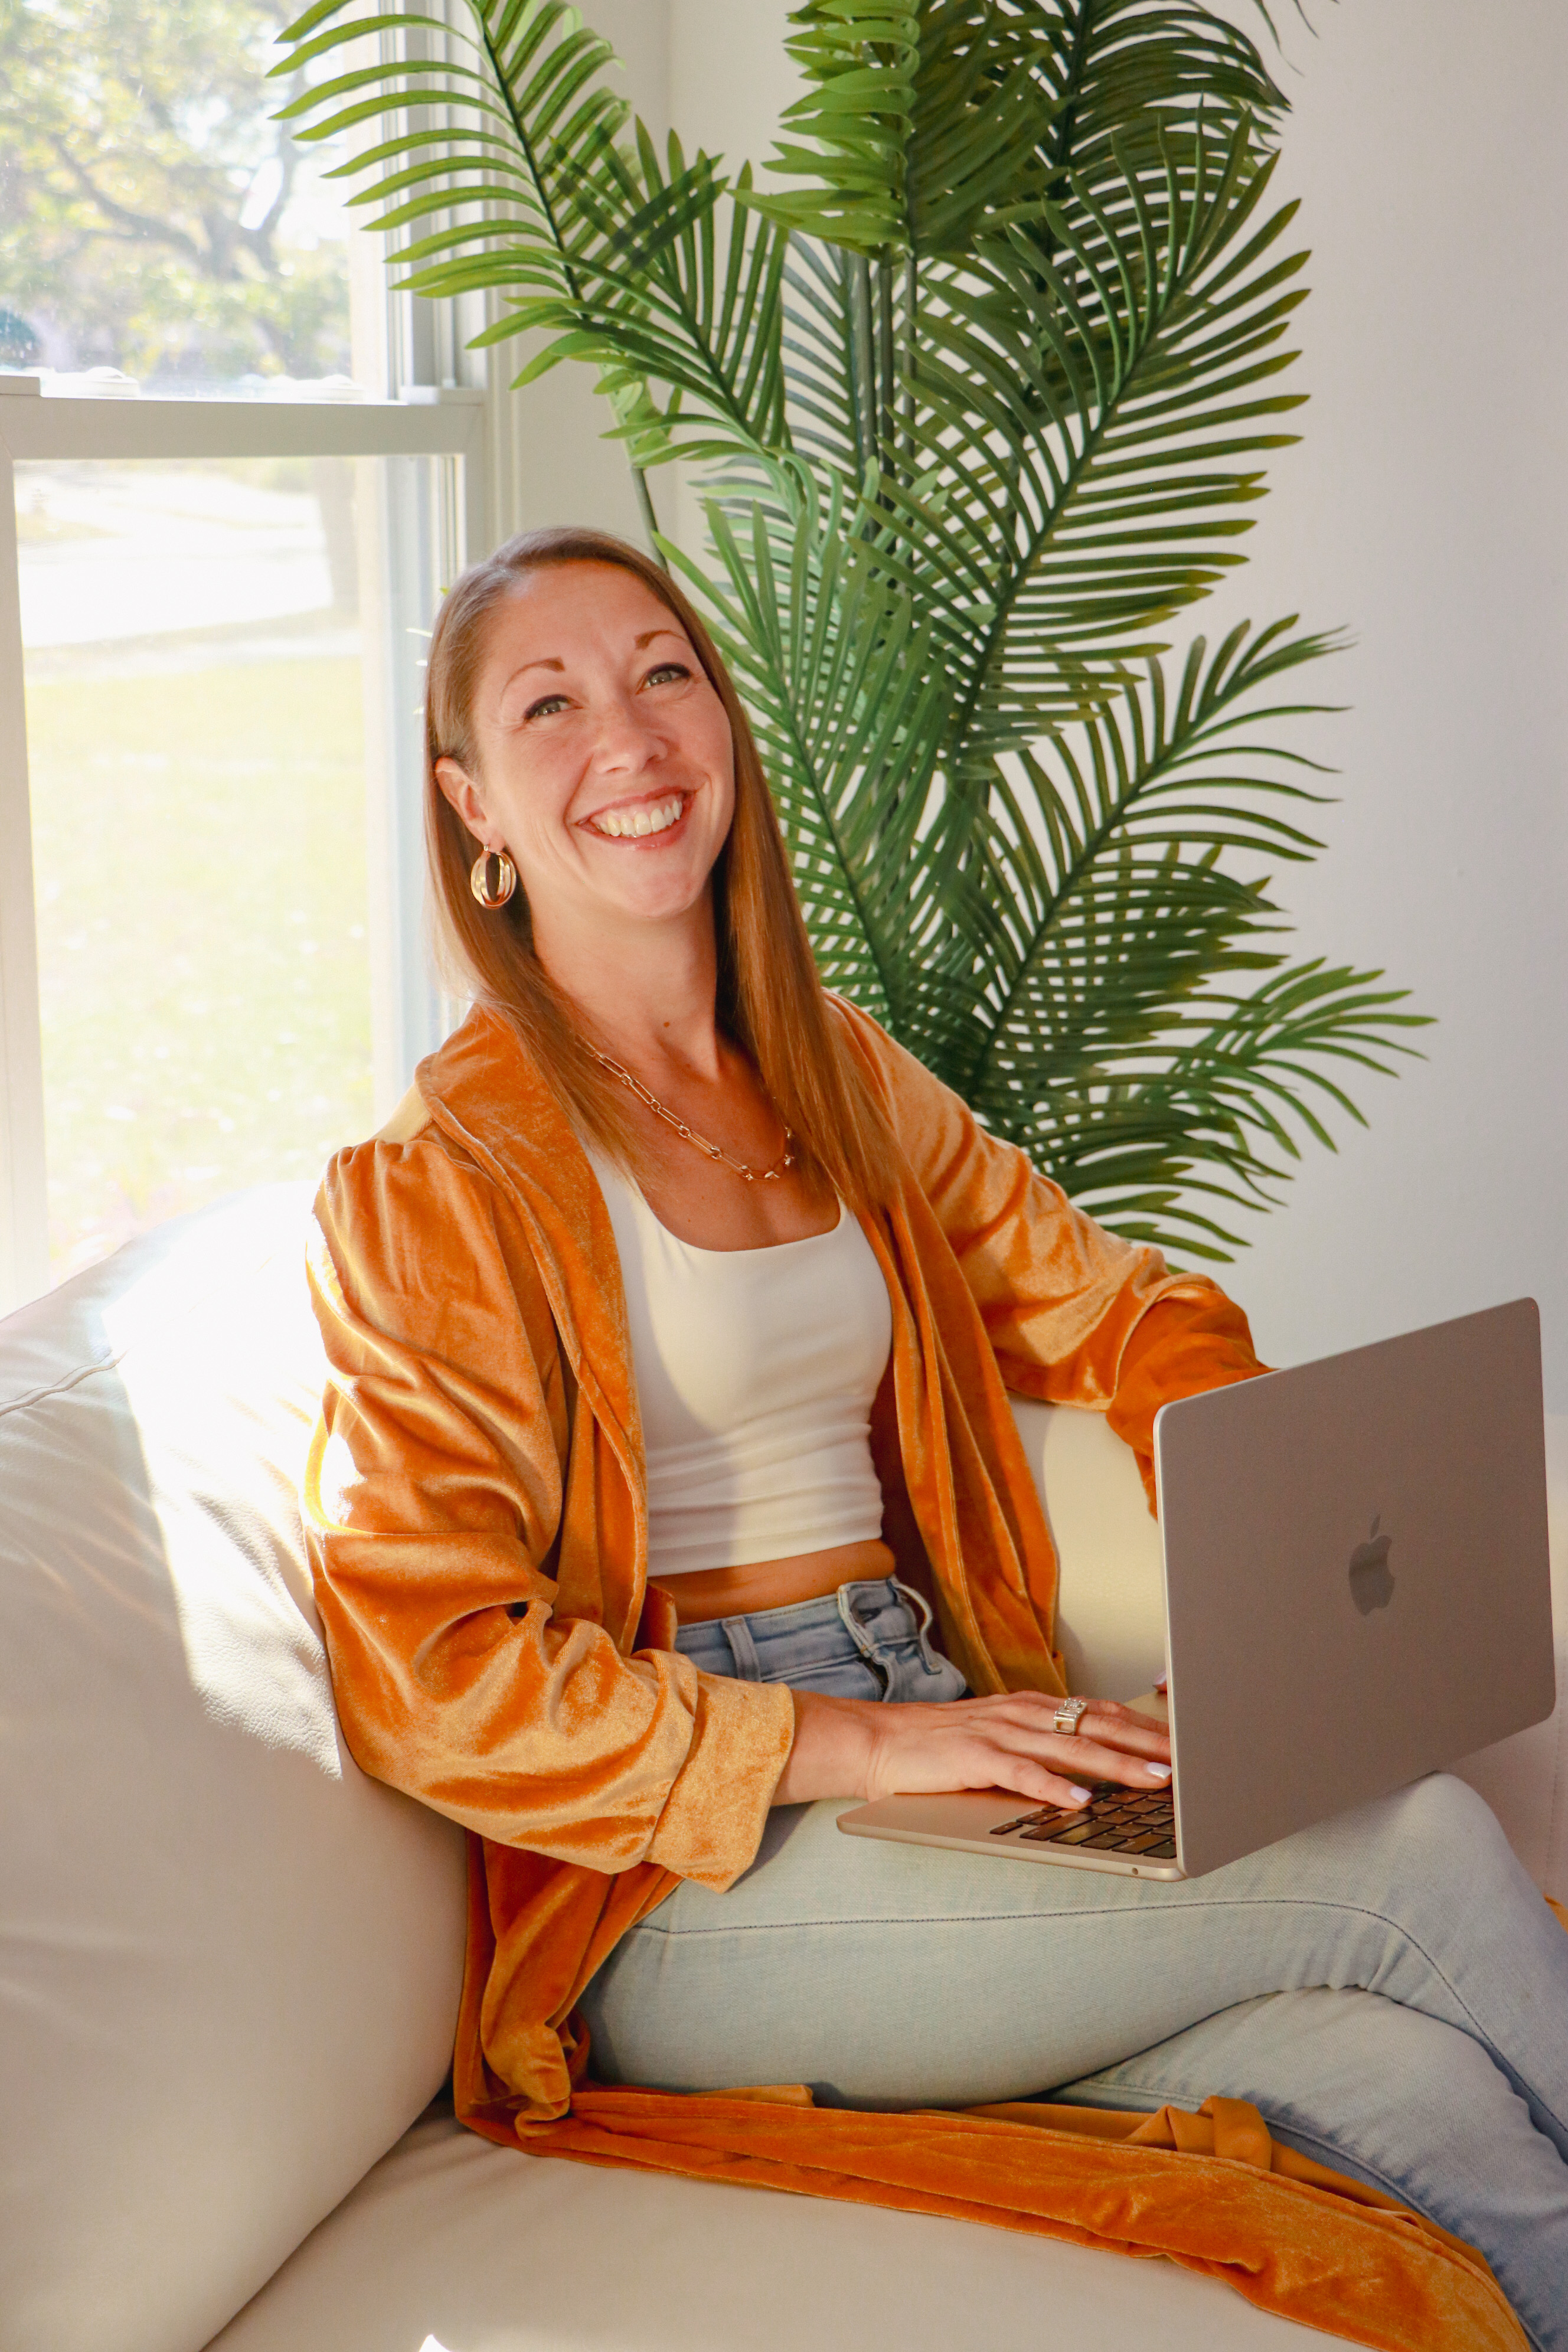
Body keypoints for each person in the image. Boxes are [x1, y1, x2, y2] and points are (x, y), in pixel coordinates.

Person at [305, 525, 1568, 2351]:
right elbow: (433, 1672)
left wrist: (1256, 1546)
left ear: (722, 722)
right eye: (548, 706)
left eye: (663, 674)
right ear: (472, 806)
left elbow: (1118, 1307)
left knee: (1415, 2090)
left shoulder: (831, 1070)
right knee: (1424, 1855)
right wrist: (864, 1741)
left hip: (939, 1727)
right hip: (685, 1887)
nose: (630, 738)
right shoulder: (438, 1180)